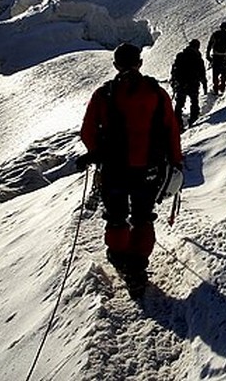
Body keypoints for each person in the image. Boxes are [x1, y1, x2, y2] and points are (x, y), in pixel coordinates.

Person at [77, 43, 182, 293]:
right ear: (140, 62)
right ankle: (137, 266)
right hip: (149, 169)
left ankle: (120, 256)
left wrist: (100, 153)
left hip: (114, 169)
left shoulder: (104, 94)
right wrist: (175, 160)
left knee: (116, 217)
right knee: (143, 216)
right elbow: (171, 130)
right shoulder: (157, 93)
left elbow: (87, 132)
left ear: (115, 65)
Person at [171, 39, 207, 128]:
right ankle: (193, 120)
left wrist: (174, 82)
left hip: (181, 83)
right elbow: (202, 72)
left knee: (179, 104)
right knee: (194, 102)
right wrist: (204, 85)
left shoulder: (181, 56)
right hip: (193, 84)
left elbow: (174, 70)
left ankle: (177, 123)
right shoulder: (198, 58)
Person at [206, 22, 226, 94]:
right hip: (224, 56)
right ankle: (222, 86)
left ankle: (216, 88)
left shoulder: (215, 34)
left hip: (216, 56)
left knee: (215, 72)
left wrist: (208, 54)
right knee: (224, 72)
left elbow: (210, 44)